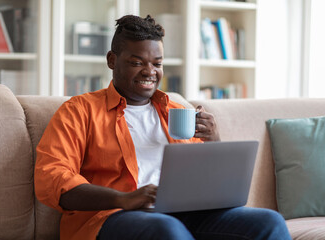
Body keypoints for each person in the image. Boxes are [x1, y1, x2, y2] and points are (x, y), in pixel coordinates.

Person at [35, 15, 291, 240]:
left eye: (157, 64)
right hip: (111, 216)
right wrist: (123, 198)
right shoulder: (80, 111)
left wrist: (214, 141)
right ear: (112, 60)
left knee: (269, 222)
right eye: (137, 62)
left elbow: (209, 184)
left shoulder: (178, 113)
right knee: (165, 229)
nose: (150, 71)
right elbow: (52, 179)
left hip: (184, 214)